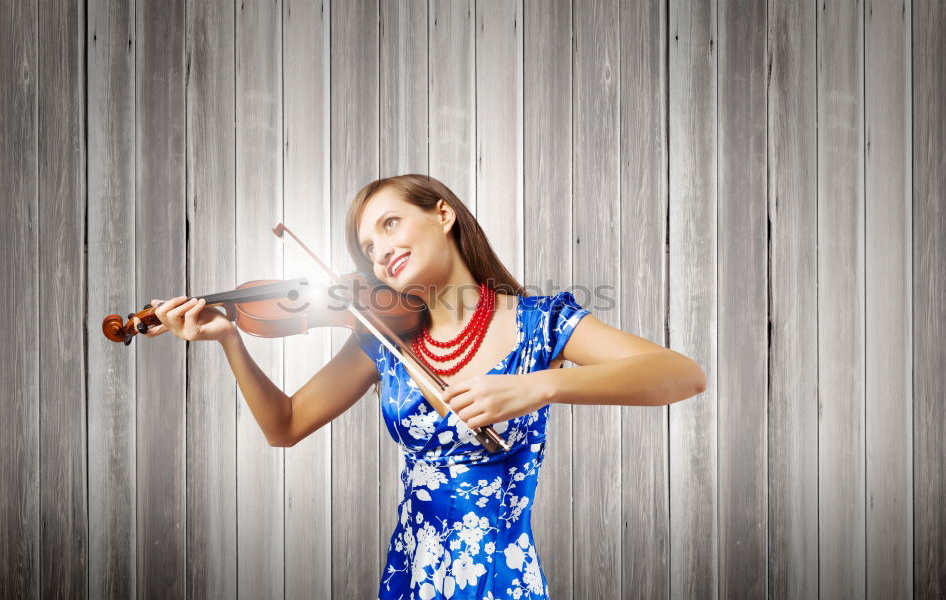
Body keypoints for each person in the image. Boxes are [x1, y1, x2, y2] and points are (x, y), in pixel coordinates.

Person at [141, 174, 707, 599]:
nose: (380, 252)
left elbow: (681, 375)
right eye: (367, 248)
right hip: (410, 573)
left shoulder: (541, 323)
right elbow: (284, 426)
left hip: (498, 576)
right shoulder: (384, 337)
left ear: (442, 214)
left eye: (390, 224)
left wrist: (537, 387)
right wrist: (229, 340)